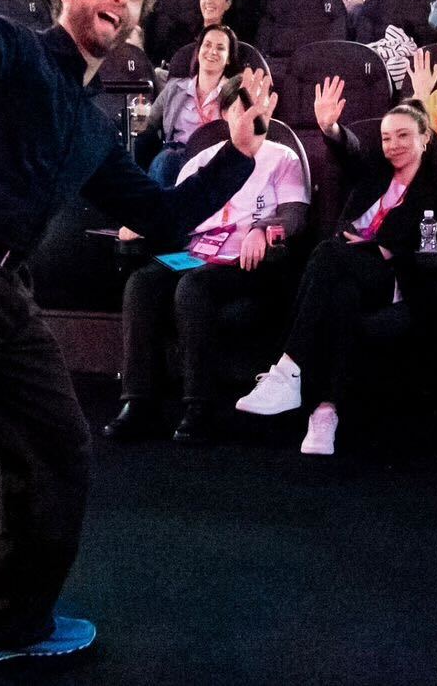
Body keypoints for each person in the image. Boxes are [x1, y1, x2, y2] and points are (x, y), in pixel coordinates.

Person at [0, 0, 272, 679]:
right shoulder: (13, 55)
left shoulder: (92, 127)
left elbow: (159, 219)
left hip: (0, 281)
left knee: (58, 449)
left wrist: (237, 155)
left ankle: (11, 619)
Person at [235, 86, 437, 455]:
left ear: (425, 138)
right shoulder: (376, 173)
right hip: (351, 271)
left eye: (403, 136)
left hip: (395, 280)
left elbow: (432, 253)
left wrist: (385, 249)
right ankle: (326, 412)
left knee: (326, 253)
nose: (393, 145)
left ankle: (288, 369)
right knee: (341, 294)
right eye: (387, 137)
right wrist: (331, 128)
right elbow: (350, 151)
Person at [106, 75, 311, 445]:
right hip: (196, 253)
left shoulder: (283, 156)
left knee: (193, 286)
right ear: (225, 113)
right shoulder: (201, 158)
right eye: (238, 107)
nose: (245, 115)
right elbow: (176, 216)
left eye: (252, 107)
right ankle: (139, 402)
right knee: (144, 281)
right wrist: (142, 226)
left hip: (245, 261)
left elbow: (294, 216)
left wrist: (264, 228)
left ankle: (199, 406)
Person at [140, 26, 242, 187]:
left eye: (220, 48)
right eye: (207, 45)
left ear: (229, 58)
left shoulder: (235, 93)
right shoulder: (175, 88)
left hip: (214, 158)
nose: (212, 51)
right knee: (166, 160)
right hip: (176, 156)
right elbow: (149, 123)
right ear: (199, 50)